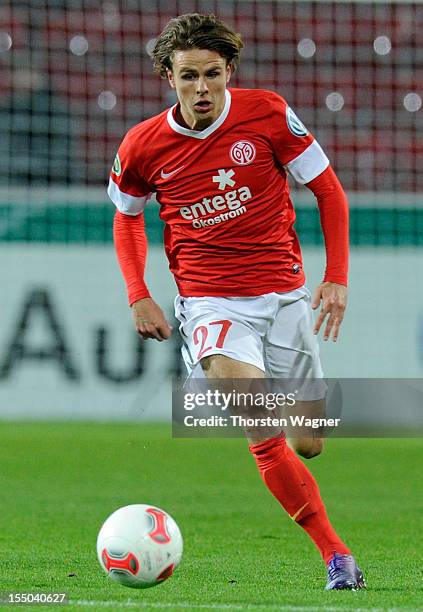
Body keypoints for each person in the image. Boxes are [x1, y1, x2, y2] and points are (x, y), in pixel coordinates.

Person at [108, 13, 366, 591]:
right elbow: (127, 221)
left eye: (213, 75)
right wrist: (139, 294)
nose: (202, 89)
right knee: (259, 422)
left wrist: (338, 276)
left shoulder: (268, 114)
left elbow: (328, 190)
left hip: (285, 295)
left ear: (229, 72)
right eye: (189, 76)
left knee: (310, 441)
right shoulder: (143, 145)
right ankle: (337, 556)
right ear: (167, 78)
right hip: (211, 303)